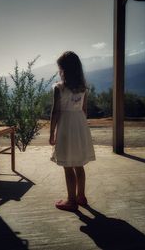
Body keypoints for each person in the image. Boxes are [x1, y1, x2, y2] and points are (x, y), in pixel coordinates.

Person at [49, 51, 96, 212]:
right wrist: (82, 129)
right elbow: (84, 110)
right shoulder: (83, 88)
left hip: (66, 126)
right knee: (79, 164)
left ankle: (71, 200)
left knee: (68, 165)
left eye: (60, 68)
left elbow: (55, 112)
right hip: (80, 124)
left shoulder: (59, 88)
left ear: (64, 69)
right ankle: (81, 196)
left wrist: (51, 133)